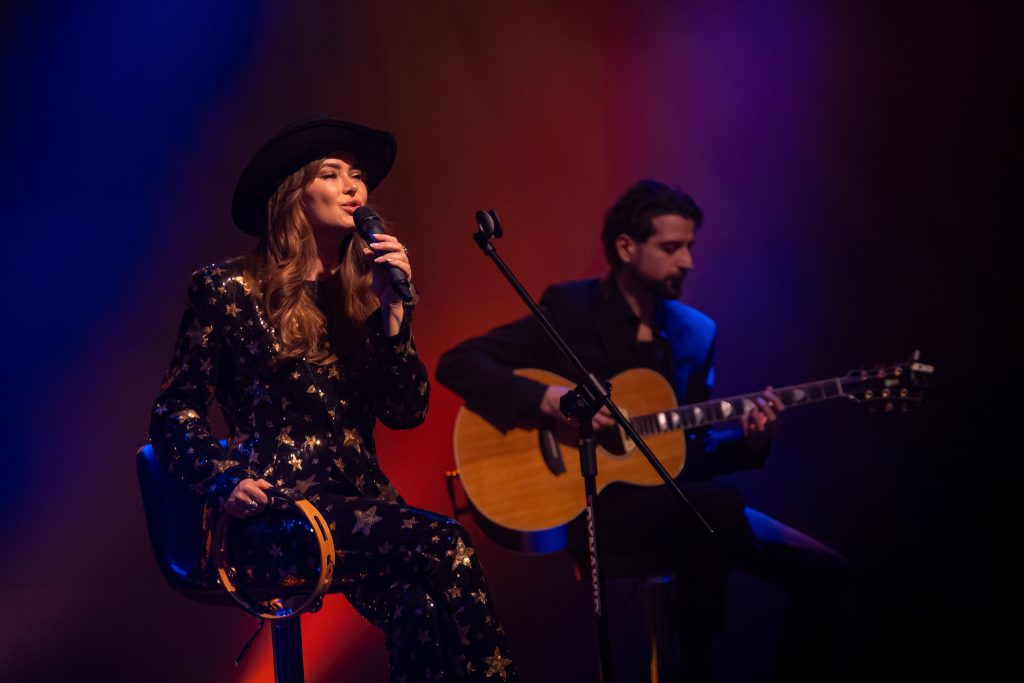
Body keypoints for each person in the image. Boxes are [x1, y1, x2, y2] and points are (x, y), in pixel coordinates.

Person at [150, 116, 518, 683]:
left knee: (417, 605)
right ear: (293, 195)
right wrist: (224, 479)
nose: (353, 188)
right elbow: (174, 411)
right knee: (447, 543)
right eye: (331, 174)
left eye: (358, 176)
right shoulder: (227, 291)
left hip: (359, 511)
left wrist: (393, 317)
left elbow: (406, 412)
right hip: (274, 514)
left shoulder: (363, 294)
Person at [436, 179, 847, 682]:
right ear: (627, 247)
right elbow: (459, 363)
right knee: (714, 509)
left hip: (682, 508)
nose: (687, 262)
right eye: (671, 248)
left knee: (823, 569)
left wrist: (752, 439)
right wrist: (549, 400)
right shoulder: (571, 309)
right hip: (597, 510)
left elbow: (686, 453)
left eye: (690, 247)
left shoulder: (695, 334)